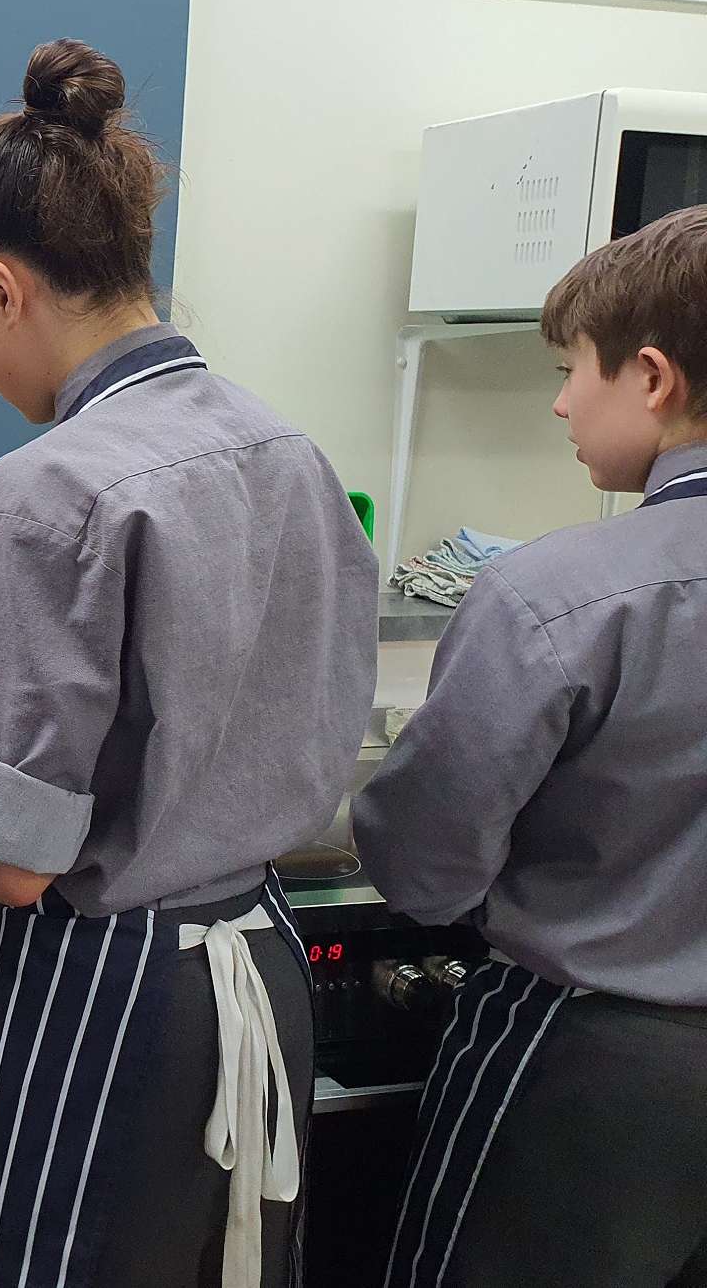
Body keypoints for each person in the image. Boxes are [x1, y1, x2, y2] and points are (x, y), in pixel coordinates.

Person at [0, 39, 378, 1288]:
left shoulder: (38, 489)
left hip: (116, 1004)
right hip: (260, 964)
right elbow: (209, 699)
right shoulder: (288, 451)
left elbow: (10, 860)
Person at [355, 205, 707, 1288]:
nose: (559, 402)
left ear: (652, 377)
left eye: (570, 370)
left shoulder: (556, 597)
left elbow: (422, 862)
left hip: (593, 1068)